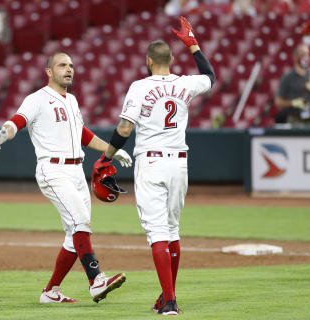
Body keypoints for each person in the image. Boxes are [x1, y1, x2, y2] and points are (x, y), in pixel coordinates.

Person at [92, 17, 215, 315]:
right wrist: (193, 44)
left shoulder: (139, 86)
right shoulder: (185, 83)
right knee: (172, 230)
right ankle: (167, 296)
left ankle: (169, 301)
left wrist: (107, 155)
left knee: (157, 232)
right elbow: (210, 76)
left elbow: (124, 129)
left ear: (148, 61)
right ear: (171, 60)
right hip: (179, 165)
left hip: (151, 163)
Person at [0, 52, 132, 303]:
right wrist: (7, 130)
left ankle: (51, 291)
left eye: (70, 65)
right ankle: (96, 281)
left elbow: (83, 135)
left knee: (74, 234)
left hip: (77, 171)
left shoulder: (72, 100)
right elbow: (18, 120)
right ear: (49, 72)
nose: (68, 69)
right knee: (80, 221)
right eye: (61, 65)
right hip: (53, 170)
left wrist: (113, 149)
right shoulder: (37, 99)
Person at [275, 44, 310, 126]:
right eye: (302, 54)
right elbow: (278, 102)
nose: (306, 57)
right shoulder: (287, 77)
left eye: (307, 54)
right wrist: (293, 103)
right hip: (295, 120)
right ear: (295, 57)